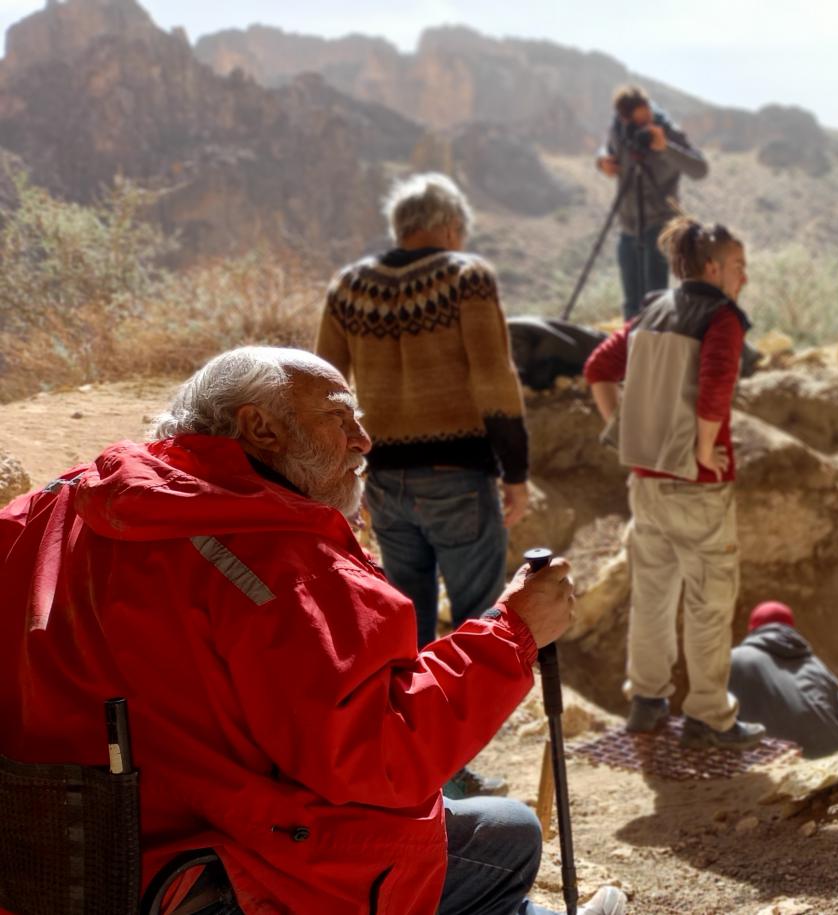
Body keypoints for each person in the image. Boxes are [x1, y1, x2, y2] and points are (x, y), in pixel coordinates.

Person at [0, 347, 625, 915]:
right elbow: (381, 756)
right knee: (502, 845)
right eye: (339, 417)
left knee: (506, 829)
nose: (364, 439)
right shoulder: (273, 555)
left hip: (63, 865)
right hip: (211, 876)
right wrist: (513, 634)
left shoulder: (56, 507)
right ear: (260, 427)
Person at [318, 172, 530, 799]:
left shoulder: (349, 287)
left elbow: (326, 384)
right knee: (477, 623)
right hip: (459, 474)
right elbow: (494, 376)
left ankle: (412, 762)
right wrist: (515, 469)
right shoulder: (466, 277)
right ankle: (452, 769)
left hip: (382, 479)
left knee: (401, 623)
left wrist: (338, 476)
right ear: (446, 225)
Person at [583, 216, 765, 750]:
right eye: (738, 266)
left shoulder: (652, 312)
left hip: (647, 483)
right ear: (712, 267)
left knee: (653, 595)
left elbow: (597, 367)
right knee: (709, 601)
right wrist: (705, 450)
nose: (743, 278)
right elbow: (715, 389)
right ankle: (709, 714)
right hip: (697, 487)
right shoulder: (722, 318)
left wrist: (622, 431)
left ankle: (647, 700)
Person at [596, 85, 709, 321]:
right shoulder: (618, 129)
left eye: (647, 117)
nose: (645, 126)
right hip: (628, 224)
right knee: (631, 304)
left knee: (655, 301)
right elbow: (607, 147)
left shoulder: (667, 131)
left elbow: (700, 169)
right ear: (624, 119)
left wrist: (666, 148)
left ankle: (655, 350)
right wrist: (601, 161)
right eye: (638, 123)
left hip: (660, 223)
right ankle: (631, 351)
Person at [730, 602, 838, 758]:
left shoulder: (734, 658)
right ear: (790, 628)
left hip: (774, 763)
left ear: (753, 629)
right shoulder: (815, 664)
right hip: (833, 755)